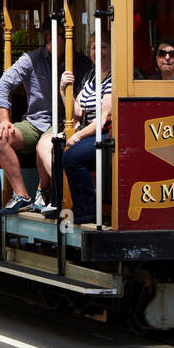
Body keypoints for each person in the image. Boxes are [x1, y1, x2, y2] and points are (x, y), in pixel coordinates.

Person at [0, 26, 91, 216]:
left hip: (63, 121)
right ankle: (21, 196)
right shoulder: (31, 59)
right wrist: (4, 120)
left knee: (47, 144)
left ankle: (43, 192)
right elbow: (2, 86)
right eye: (48, 36)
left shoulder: (80, 63)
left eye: (59, 35)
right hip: (35, 121)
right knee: (0, 137)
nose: (51, 39)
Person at [44, 36, 112, 224]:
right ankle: (60, 205)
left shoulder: (115, 77)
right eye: (93, 48)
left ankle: (88, 209)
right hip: (89, 132)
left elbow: (104, 119)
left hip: (106, 134)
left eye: (104, 47)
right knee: (57, 147)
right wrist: (63, 89)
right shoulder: (91, 76)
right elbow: (78, 110)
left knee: (72, 157)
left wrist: (78, 135)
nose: (98, 52)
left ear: (113, 50)